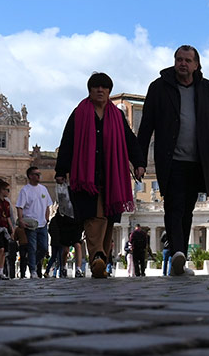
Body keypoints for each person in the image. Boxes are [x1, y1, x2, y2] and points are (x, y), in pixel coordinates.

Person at [136, 46, 209, 277]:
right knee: (173, 205)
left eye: (188, 60)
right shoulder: (158, 87)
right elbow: (146, 124)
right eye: (179, 59)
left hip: (198, 159)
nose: (183, 64)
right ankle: (179, 252)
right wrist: (139, 160)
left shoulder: (208, 89)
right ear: (174, 62)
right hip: (171, 158)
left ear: (196, 64)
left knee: (187, 208)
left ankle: (179, 255)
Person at [54, 72, 146, 279]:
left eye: (104, 87)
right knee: (93, 217)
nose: (100, 90)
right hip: (85, 175)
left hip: (112, 175)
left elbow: (130, 140)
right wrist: (61, 170)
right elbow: (67, 140)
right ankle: (97, 255)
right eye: (96, 87)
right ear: (90, 90)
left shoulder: (117, 116)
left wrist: (139, 163)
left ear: (109, 91)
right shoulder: (79, 113)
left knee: (107, 219)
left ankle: (100, 259)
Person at [16, 166, 52, 279]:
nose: (38, 176)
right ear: (30, 176)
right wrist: (21, 220)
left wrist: (47, 217)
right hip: (31, 224)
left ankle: (32, 263)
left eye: (39, 174)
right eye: (36, 174)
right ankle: (33, 270)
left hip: (42, 224)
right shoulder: (25, 190)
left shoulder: (44, 189)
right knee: (32, 248)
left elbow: (48, 205)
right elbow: (19, 207)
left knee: (44, 248)